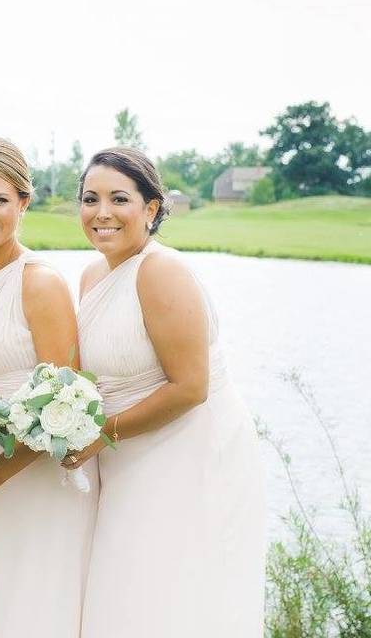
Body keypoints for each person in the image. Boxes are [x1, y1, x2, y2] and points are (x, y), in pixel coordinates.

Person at [70, 147, 265, 636]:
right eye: (90, 199)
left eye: (119, 198)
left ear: (151, 209)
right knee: (123, 589)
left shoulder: (161, 271)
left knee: (167, 591)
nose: (102, 213)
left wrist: (100, 434)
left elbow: (190, 387)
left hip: (186, 449)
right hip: (126, 453)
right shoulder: (90, 276)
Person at [0, 135, 96, 637]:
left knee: (40, 607)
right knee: (0, 605)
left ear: (23, 203)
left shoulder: (40, 283)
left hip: (40, 474)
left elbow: (66, 406)